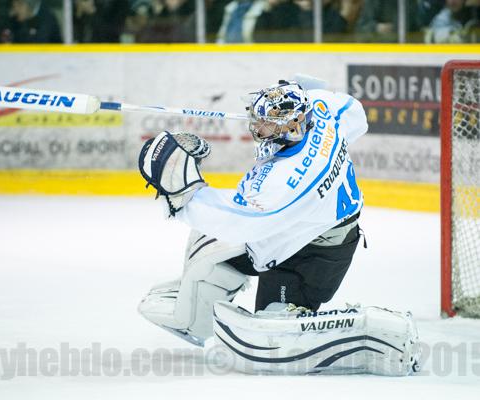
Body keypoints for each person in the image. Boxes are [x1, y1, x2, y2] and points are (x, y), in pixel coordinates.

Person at [137, 78, 369, 346]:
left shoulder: (289, 179)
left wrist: (182, 194)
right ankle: (196, 320)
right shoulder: (321, 108)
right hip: (305, 226)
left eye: (265, 124)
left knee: (273, 334)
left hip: (315, 253)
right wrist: (302, 88)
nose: (256, 128)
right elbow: (355, 112)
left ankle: (337, 334)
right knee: (209, 243)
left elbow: (242, 222)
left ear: (292, 126)